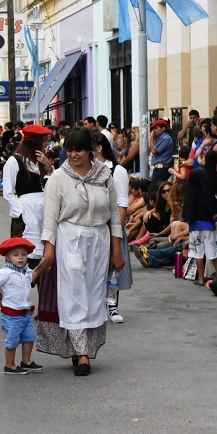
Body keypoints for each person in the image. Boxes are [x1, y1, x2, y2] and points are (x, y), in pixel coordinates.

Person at [33, 127, 123, 377]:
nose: (73, 154)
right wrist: (48, 252)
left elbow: (114, 214)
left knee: (94, 295)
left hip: (99, 240)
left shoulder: (105, 175)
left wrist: (117, 249)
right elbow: (49, 219)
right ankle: (82, 354)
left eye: (79, 150)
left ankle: (82, 347)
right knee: (73, 295)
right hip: (70, 239)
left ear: (91, 151)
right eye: (69, 150)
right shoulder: (58, 179)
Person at [0, 237, 43, 375]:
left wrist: (42, 267)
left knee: (29, 338)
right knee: (12, 341)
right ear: (7, 257)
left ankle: (26, 361)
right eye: (16, 255)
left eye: (23, 254)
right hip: (11, 315)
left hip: (25, 313)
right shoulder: (5, 273)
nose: (20, 258)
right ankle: (9, 365)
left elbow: (34, 275)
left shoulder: (25, 271)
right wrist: (1, 299)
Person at [2, 124, 54, 269]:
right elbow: (7, 192)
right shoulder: (14, 161)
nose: (47, 144)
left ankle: (44, 290)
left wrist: (49, 167)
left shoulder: (42, 160)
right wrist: (21, 212)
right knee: (24, 256)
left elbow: (53, 186)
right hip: (26, 212)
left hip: (44, 210)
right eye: (44, 141)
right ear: (34, 142)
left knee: (45, 256)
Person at [92, 131, 131, 324]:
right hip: (91, 225)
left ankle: (112, 305)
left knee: (113, 268)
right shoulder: (85, 170)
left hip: (110, 224)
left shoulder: (117, 171)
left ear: (99, 148)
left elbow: (122, 203)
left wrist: (116, 229)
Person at [182, 168, 217, 286]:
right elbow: (215, 206)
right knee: (213, 252)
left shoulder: (189, 193)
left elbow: (186, 211)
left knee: (198, 253)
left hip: (195, 226)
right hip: (209, 225)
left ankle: (200, 278)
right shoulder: (208, 191)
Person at [149, 119, 174, 183]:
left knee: (156, 188)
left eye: (156, 128)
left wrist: (151, 138)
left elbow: (153, 150)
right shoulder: (161, 138)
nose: (154, 130)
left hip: (162, 168)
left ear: (163, 128)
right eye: (153, 128)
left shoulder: (165, 138)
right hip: (159, 168)